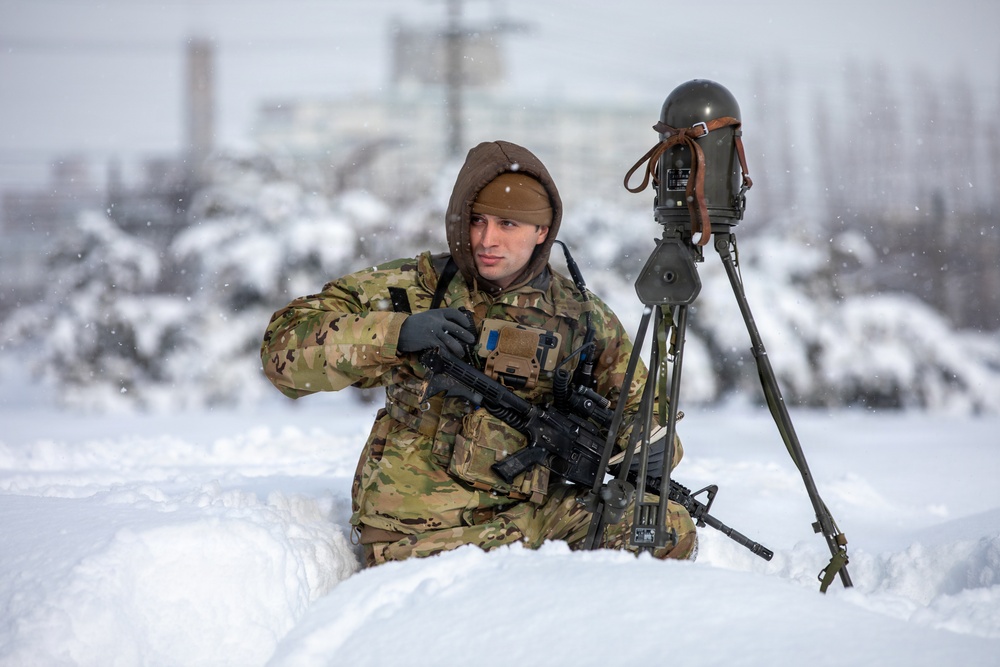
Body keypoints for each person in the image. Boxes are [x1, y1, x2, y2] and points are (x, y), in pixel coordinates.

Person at [261, 140, 696, 567]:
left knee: (663, 526)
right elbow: (282, 353)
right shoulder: (413, 287)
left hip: (528, 520)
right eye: (477, 221)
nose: (487, 240)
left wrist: (648, 447)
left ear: (542, 231)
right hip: (418, 530)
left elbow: (649, 415)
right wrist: (397, 332)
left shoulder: (580, 316)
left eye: (508, 225)